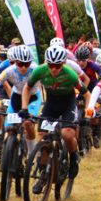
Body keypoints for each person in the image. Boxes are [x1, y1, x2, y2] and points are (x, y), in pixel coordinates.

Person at [21, 46, 88, 183]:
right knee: (43, 137)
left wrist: (87, 114)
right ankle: (43, 174)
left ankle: (73, 157)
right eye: (51, 65)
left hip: (68, 104)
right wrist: (24, 107)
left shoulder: (70, 74)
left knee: (67, 134)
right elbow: (27, 88)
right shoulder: (40, 70)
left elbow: (87, 93)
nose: (53, 69)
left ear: (62, 63)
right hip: (51, 104)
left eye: (57, 66)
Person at [0, 46, 41, 154]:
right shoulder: (9, 71)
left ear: (30, 62)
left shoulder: (36, 69)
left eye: (27, 64)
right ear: (15, 62)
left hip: (33, 98)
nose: (23, 67)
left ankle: (31, 153)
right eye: (20, 64)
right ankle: (8, 151)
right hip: (17, 96)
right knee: (9, 128)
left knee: (28, 123)